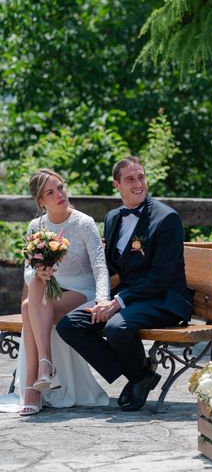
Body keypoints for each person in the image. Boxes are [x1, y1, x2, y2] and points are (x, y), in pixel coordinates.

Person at [57, 156, 193, 412]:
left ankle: (137, 377)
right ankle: (140, 375)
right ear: (117, 184)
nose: (138, 183)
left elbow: (160, 278)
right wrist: (100, 298)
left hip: (164, 298)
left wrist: (117, 303)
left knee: (117, 327)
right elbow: (110, 267)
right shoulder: (113, 218)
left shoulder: (167, 219)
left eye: (141, 177)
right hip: (128, 297)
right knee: (69, 325)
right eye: (130, 179)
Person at [10, 169, 110, 415]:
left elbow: (99, 266)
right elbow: (27, 271)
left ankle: (35, 380)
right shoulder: (37, 225)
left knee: (28, 307)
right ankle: (44, 367)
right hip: (51, 291)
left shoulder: (83, 223)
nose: (59, 195)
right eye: (50, 192)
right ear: (41, 201)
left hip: (81, 289)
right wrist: (39, 273)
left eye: (61, 187)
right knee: (33, 289)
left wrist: (103, 298)